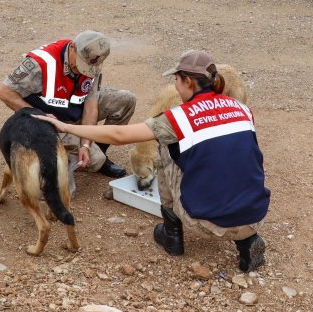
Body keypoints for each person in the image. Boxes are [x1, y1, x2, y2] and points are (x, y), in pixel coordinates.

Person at [33, 50, 270, 272]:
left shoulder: (178, 118)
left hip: (204, 222)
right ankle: (247, 239)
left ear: (187, 81)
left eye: (176, 80)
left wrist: (65, 127)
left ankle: (172, 234)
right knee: (234, 150)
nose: (175, 86)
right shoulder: (241, 108)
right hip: (257, 215)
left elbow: (118, 136)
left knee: (166, 147)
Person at [0, 30, 135, 189]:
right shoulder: (41, 63)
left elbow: (90, 107)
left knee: (126, 100)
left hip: (75, 111)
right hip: (51, 122)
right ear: (72, 47)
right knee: (82, 173)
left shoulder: (92, 63)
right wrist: (38, 115)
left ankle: (91, 151)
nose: (83, 71)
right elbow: (3, 91)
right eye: (81, 64)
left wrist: (85, 145)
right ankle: (68, 158)